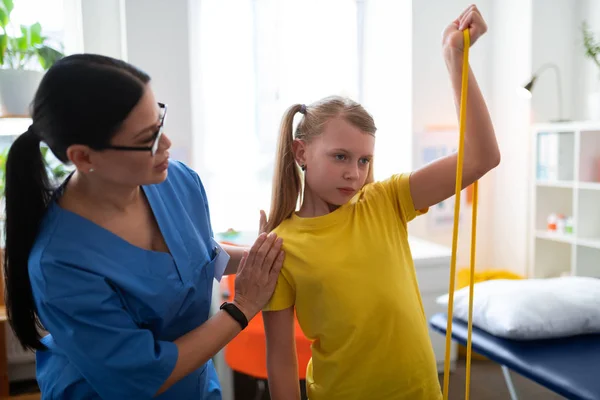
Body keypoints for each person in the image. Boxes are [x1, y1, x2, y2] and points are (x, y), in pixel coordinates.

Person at [3, 53, 285, 399]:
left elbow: (195, 256)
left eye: (159, 123)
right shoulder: (59, 263)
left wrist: (263, 256)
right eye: (147, 138)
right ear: (84, 157)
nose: (166, 144)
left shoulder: (177, 182)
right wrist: (242, 307)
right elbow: (142, 376)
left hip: (194, 387)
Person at [262, 5, 499, 400]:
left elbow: (481, 158)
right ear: (301, 153)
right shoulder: (282, 246)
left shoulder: (385, 200)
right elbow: (281, 360)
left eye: (364, 160)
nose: (354, 173)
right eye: (340, 156)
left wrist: (454, 58)